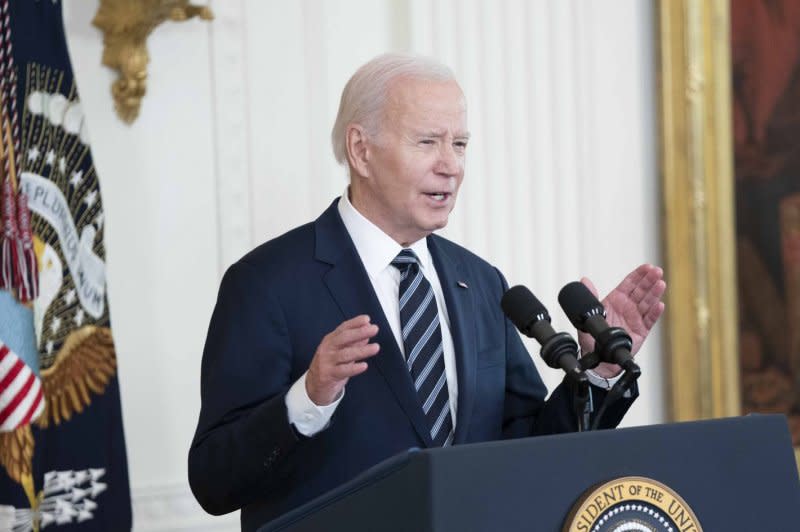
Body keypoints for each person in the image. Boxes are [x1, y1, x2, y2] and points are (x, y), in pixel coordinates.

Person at [188, 53, 666, 531]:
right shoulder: (267, 282)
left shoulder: (480, 281)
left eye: (459, 144)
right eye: (427, 142)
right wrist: (308, 399)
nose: (451, 166)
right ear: (361, 150)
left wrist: (600, 372)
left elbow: (527, 447)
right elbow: (214, 480)